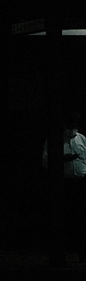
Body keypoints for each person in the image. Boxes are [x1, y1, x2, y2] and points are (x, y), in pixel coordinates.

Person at [42, 112, 86, 261]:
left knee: (81, 218)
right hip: (63, 184)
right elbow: (45, 160)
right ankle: (61, 253)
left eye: (74, 126)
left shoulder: (82, 139)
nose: (72, 129)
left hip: (80, 183)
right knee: (64, 218)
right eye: (69, 126)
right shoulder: (56, 140)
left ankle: (82, 253)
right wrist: (62, 159)